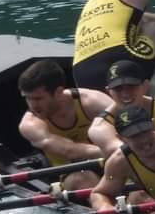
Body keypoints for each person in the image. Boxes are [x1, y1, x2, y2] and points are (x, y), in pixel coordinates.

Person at [16, 60, 111, 190]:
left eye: (38, 99)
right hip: (69, 173)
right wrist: (116, 151)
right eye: (27, 98)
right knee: (83, 179)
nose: (33, 105)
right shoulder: (30, 124)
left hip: (111, 164)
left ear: (58, 92)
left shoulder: (92, 101)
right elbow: (69, 151)